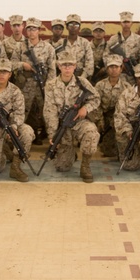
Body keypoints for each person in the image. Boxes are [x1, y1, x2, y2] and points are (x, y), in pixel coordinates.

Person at [43, 53, 100, 183]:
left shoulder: (83, 83)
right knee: (62, 167)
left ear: (75, 66)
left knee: (91, 132)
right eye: (64, 65)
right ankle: (70, 154)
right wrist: (52, 134)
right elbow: (49, 111)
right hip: (62, 125)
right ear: (59, 66)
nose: (67, 68)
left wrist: (86, 108)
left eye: (70, 65)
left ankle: (85, 165)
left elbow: (96, 99)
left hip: (79, 122)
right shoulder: (50, 85)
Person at [93, 53, 128, 159]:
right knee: (108, 151)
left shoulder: (126, 87)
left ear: (121, 69)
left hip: (120, 120)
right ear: (107, 69)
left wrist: (118, 120)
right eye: (111, 67)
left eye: (116, 67)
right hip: (104, 118)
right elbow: (96, 104)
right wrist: (100, 121)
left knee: (121, 149)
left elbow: (129, 107)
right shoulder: (99, 85)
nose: (114, 69)